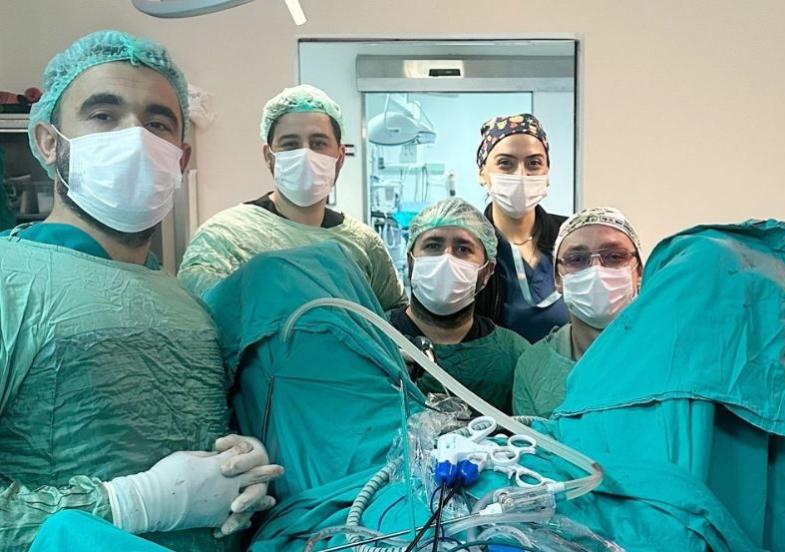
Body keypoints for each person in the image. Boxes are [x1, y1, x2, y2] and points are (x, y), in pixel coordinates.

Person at [0, 30, 282, 551]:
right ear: (48, 141)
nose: (134, 137)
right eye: (103, 115)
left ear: (180, 156)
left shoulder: (189, 307)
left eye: (157, 124)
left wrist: (237, 470)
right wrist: (132, 503)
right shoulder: (9, 281)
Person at [178, 85, 406, 310]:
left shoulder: (364, 244)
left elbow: (394, 319)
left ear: (340, 157)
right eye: (290, 145)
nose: (305, 154)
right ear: (269, 156)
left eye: (318, 143)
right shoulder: (224, 238)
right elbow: (194, 321)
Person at [388, 198, 529, 413]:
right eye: (433, 246)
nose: (446, 259)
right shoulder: (375, 338)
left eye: (463, 249)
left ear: (486, 272)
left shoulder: (515, 355)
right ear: (410, 261)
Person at [512, 207, 642, 417]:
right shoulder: (534, 365)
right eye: (577, 259)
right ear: (557, 279)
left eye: (614, 256)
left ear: (639, 272)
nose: (596, 270)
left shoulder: (667, 352)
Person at [473, 113, 570, 343]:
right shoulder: (469, 245)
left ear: (547, 173)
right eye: (505, 163)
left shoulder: (571, 238)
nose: (521, 175)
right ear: (482, 174)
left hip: (568, 365)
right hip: (495, 366)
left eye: (534, 163)